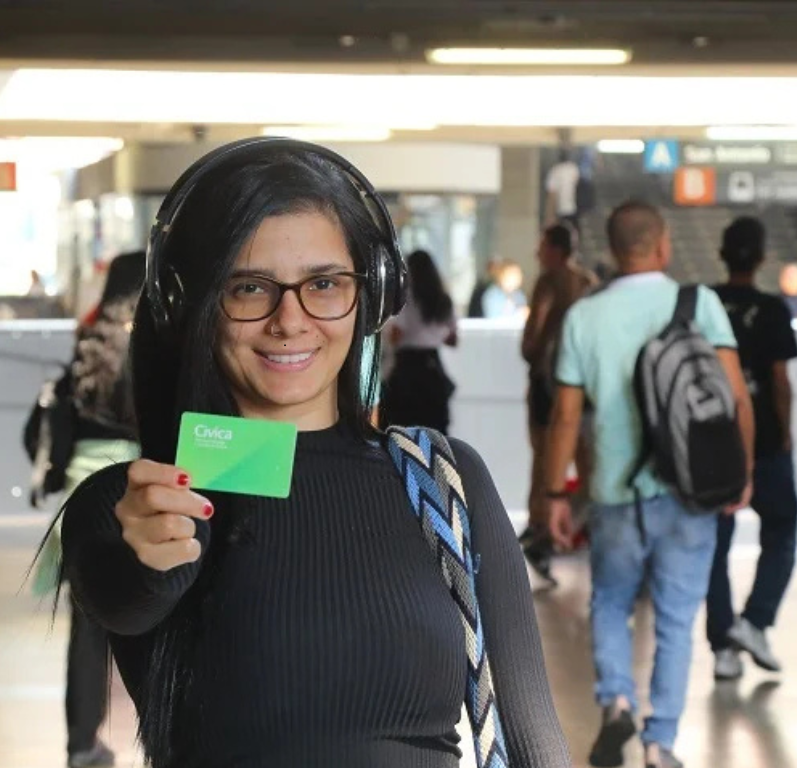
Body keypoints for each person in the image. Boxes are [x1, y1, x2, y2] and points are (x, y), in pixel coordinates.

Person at [59, 139, 570, 768]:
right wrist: (155, 557)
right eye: (249, 288)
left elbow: (532, 738)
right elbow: (126, 597)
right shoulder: (141, 500)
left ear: (371, 295)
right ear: (190, 304)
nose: (290, 319)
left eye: (325, 283)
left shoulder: (443, 481)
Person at [545, 201, 754, 768]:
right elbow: (735, 397)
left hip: (614, 490)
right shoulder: (699, 303)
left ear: (614, 252)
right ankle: (661, 744)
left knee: (611, 601)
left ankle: (616, 699)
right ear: (662, 246)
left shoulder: (585, 316)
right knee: (677, 617)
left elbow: (565, 416)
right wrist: (744, 472)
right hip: (690, 488)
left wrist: (556, 496)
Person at [35, 251, 146, 768]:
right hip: (139, 476)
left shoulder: (90, 334)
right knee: (154, 612)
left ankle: (81, 742)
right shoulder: (153, 334)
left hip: (85, 484)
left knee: (88, 620)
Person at [706, 217, 797, 682]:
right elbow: (781, 382)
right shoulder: (772, 309)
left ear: (722, 254)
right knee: (783, 529)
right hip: (764, 443)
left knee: (716, 545)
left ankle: (723, 645)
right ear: (762, 258)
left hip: (716, 445)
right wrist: (783, 433)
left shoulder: (705, 304)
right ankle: (755, 622)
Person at [519, 224, 597, 581]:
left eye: (541, 246)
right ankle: (575, 530)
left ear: (554, 249)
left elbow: (530, 342)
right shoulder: (589, 283)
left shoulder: (549, 282)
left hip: (546, 387)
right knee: (588, 466)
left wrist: (536, 347)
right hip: (585, 387)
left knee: (545, 460)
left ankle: (541, 534)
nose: (537, 253)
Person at [380, 249, 457, 434]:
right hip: (433, 367)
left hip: (407, 367)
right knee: (435, 430)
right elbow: (453, 339)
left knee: (401, 428)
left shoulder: (407, 299)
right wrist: (432, 334)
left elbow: (396, 334)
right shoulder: (443, 300)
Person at [545, 149, 581, 232]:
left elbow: (552, 194)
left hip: (563, 209)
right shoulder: (573, 168)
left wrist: (549, 214)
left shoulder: (555, 171)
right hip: (571, 208)